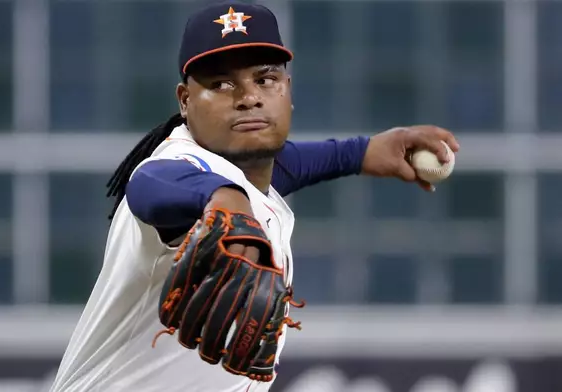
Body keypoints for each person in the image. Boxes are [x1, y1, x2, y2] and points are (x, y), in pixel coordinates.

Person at [49, 2, 460, 392]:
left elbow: (287, 165)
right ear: (185, 101)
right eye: (221, 84)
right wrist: (223, 200)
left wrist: (362, 152)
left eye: (265, 78)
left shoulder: (249, 172)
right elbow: (150, 184)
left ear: (286, 90)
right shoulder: (181, 167)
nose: (248, 97)